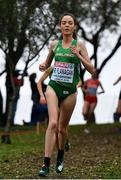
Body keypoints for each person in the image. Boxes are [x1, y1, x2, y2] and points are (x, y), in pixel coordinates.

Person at [38, 12, 95, 177]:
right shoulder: (54, 44)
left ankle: (61, 155)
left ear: (74, 26)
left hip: (70, 91)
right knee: (53, 123)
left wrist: (79, 56)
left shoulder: (80, 45)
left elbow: (92, 70)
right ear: (60, 26)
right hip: (53, 87)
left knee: (62, 129)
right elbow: (47, 63)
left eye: (70, 22)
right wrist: (43, 65)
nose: (67, 25)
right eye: (64, 22)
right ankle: (46, 164)